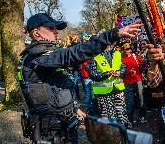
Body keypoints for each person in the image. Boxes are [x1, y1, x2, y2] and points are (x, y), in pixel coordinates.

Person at [17, 13, 142, 143]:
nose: (56, 31)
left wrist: (75, 108)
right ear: (37, 34)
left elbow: (56, 86)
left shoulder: (45, 55)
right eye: (50, 28)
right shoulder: (38, 56)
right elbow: (72, 54)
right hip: (50, 131)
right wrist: (111, 35)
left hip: (60, 125)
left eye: (56, 28)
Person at [88, 44, 129, 127]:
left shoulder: (117, 53)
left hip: (118, 90)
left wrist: (120, 72)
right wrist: (106, 74)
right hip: (104, 94)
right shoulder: (95, 56)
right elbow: (92, 74)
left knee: (122, 116)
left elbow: (124, 68)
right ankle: (112, 137)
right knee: (109, 119)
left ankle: (124, 135)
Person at [121, 41, 147, 126]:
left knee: (141, 99)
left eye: (128, 48)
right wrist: (128, 72)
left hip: (138, 81)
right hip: (127, 83)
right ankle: (130, 121)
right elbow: (120, 72)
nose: (127, 50)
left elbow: (141, 66)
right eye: (125, 49)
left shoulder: (135, 56)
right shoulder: (121, 59)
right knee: (129, 103)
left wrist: (143, 64)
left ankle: (142, 116)